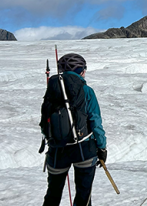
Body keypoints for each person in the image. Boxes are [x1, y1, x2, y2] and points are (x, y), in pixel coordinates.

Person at [40, 53, 107, 205]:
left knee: (53, 194)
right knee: (84, 196)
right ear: (82, 71)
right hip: (84, 148)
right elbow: (95, 121)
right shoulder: (86, 90)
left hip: (57, 149)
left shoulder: (52, 89)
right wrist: (102, 147)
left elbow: (45, 121)